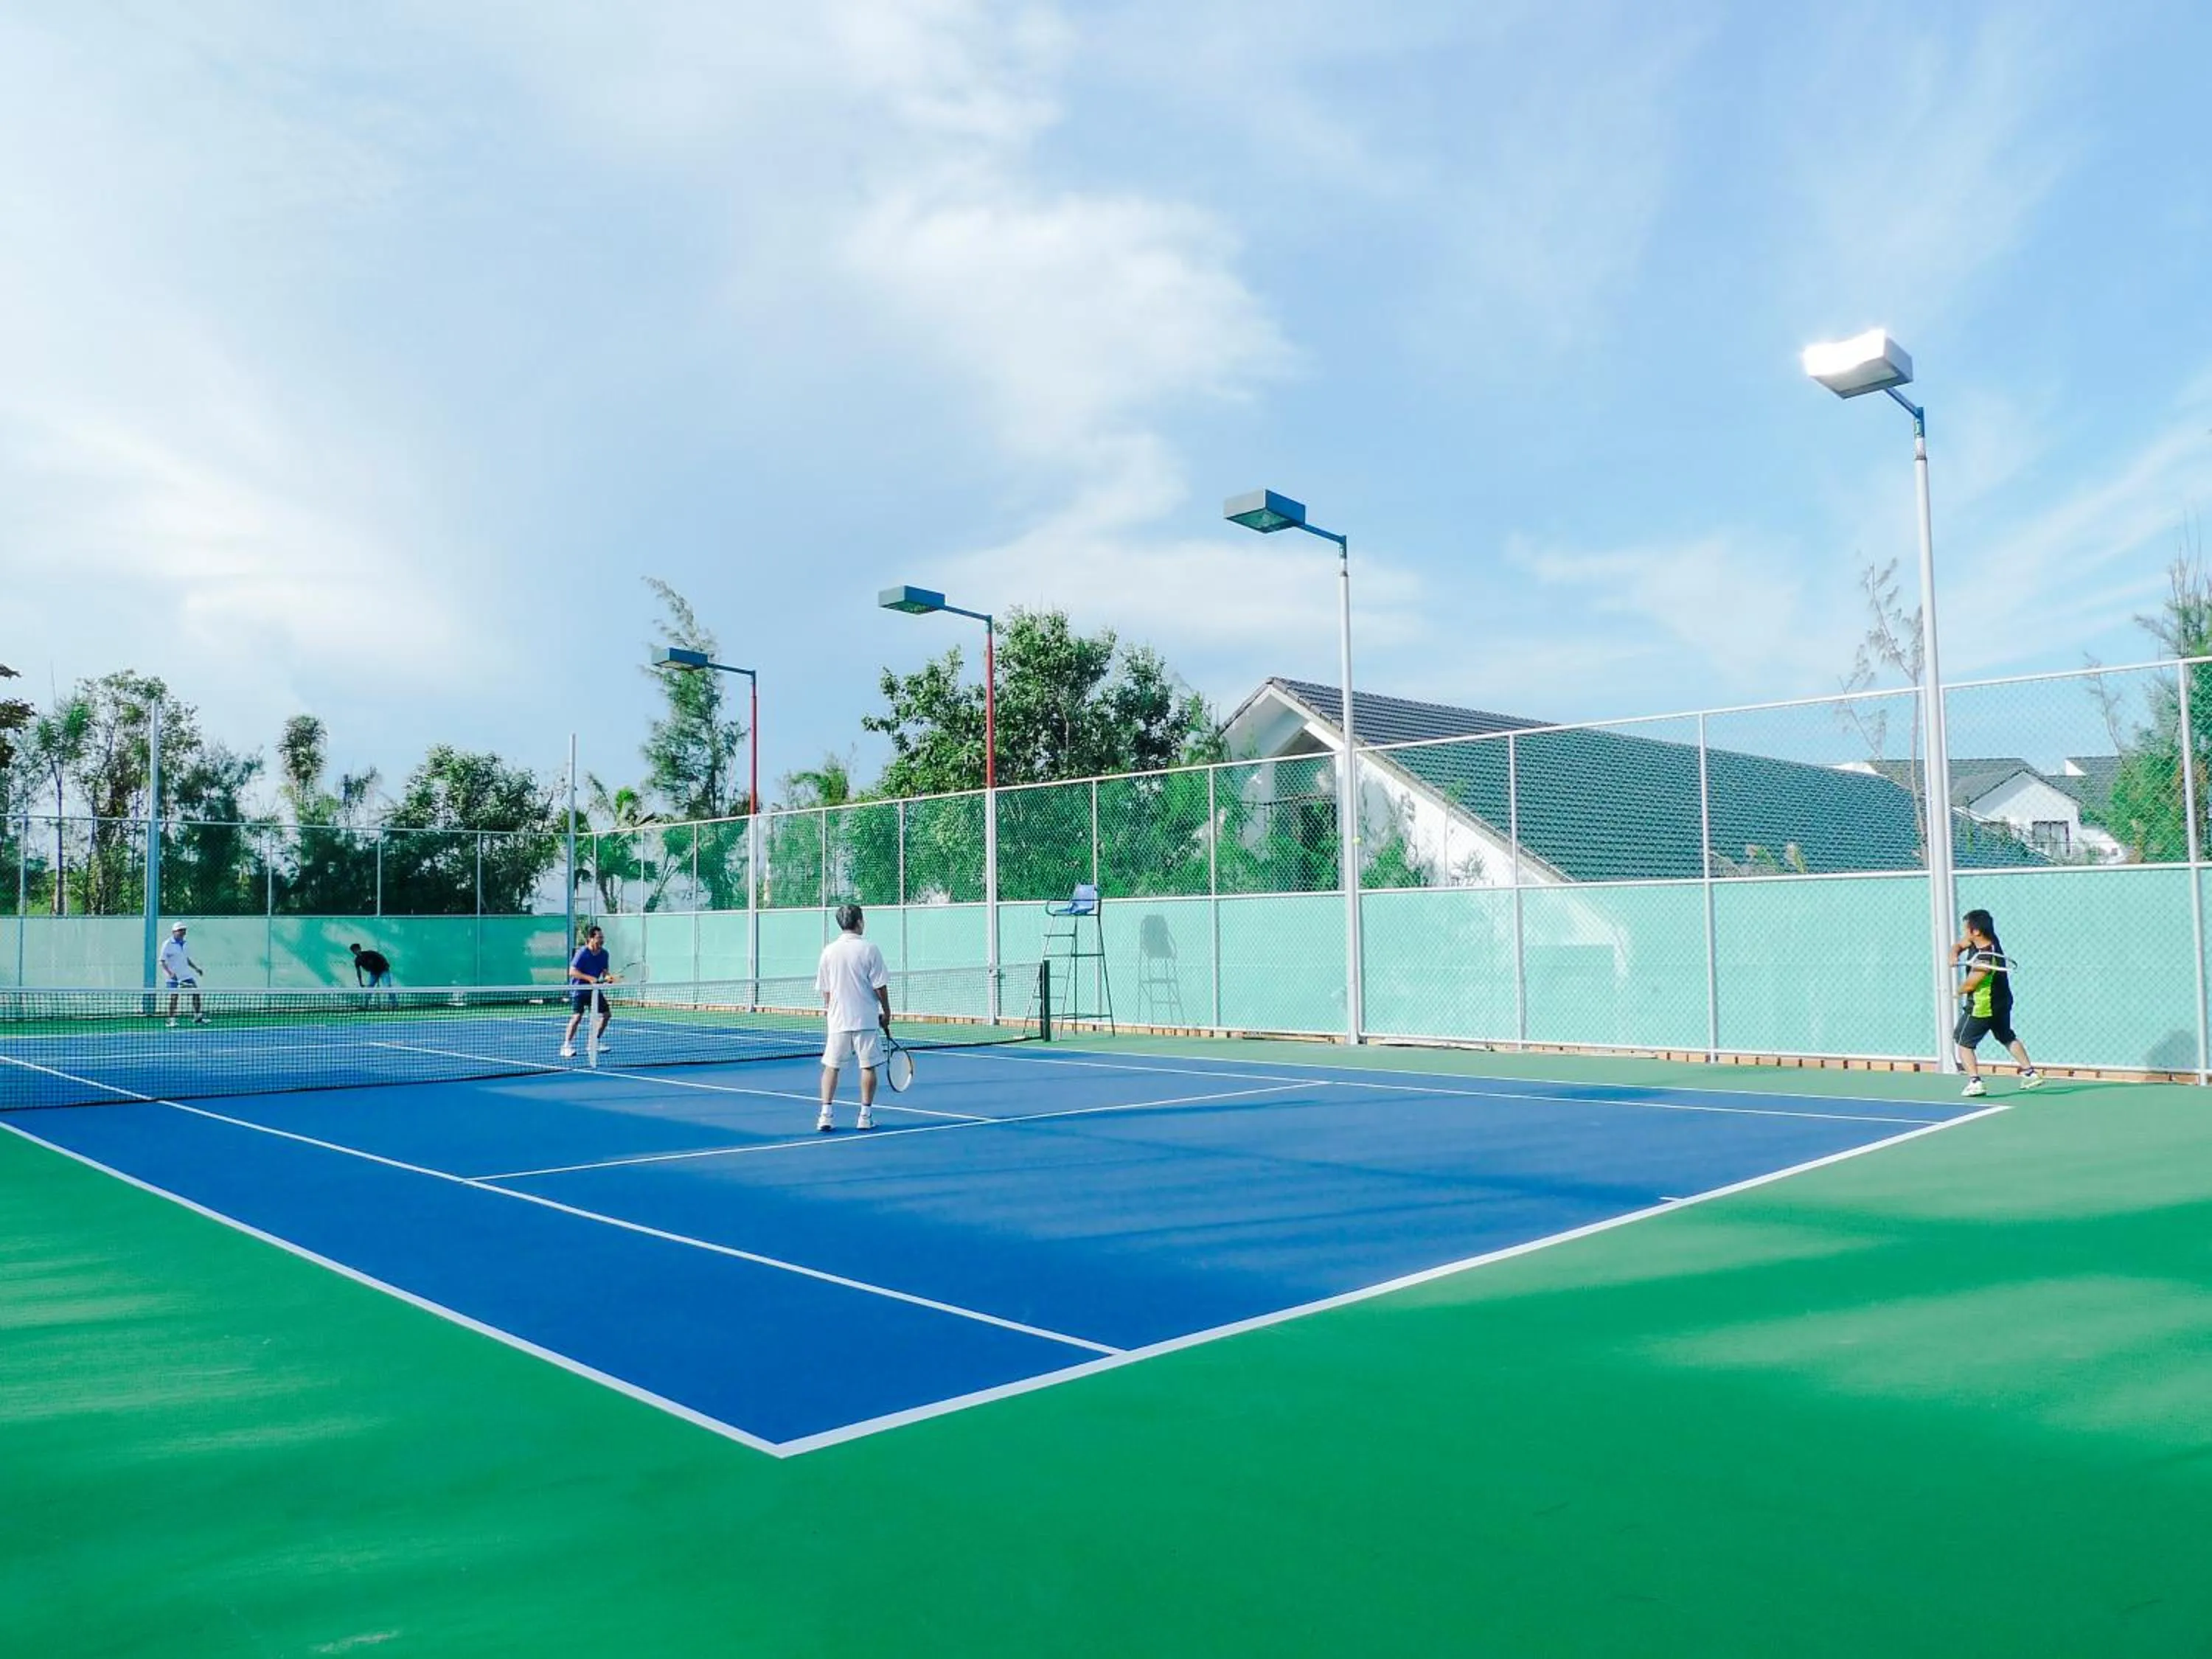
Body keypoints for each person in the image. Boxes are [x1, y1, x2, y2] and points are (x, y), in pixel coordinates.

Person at [815, 902, 891, 1133]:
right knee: (868, 1067)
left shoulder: (828, 951)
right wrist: (887, 1012)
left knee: (831, 1067)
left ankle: (825, 1115)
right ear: (859, 922)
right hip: (865, 1019)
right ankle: (864, 1116)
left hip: (838, 1020)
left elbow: (826, 991)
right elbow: (880, 986)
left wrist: (832, 1011)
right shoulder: (870, 949)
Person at [1952, 908, 2042, 1098]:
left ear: (1975, 931)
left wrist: (1954, 992)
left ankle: (1975, 1082)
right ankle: (2030, 1073)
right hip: (2002, 1002)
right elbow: (1960, 945)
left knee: (1963, 1042)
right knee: (2006, 1036)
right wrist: (1953, 954)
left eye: (1966, 929)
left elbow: (1971, 984)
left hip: (1982, 1006)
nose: (1964, 933)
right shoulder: (1984, 939)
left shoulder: (1985, 957)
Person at [560, 925, 615, 1059]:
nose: (601, 940)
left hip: (594, 991)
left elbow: (605, 971)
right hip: (579, 990)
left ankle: (593, 1042)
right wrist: (589, 978)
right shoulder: (582, 953)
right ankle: (566, 1046)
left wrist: (608, 977)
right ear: (591, 939)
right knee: (577, 1017)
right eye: (599, 938)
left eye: (602, 938)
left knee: (606, 1015)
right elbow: (572, 972)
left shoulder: (604, 954)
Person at [159, 922, 208, 1027]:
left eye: (184, 930)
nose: (183, 932)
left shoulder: (185, 943)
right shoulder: (167, 944)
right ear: (174, 932)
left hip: (185, 975)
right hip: (173, 977)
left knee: (196, 992)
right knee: (174, 997)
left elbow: (186, 959)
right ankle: (171, 1020)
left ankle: (198, 1017)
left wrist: (196, 969)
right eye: (180, 930)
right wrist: (170, 973)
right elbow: (162, 961)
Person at [349, 942, 395, 1006]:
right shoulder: (357, 961)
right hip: (374, 973)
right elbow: (358, 972)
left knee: (388, 987)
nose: (356, 951)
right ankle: (365, 1005)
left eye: (357, 949)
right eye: (354, 951)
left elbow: (380, 956)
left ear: (360, 949)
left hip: (383, 970)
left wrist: (386, 964)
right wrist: (360, 983)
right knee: (369, 988)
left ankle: (395, 1004)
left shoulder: (370, 953)